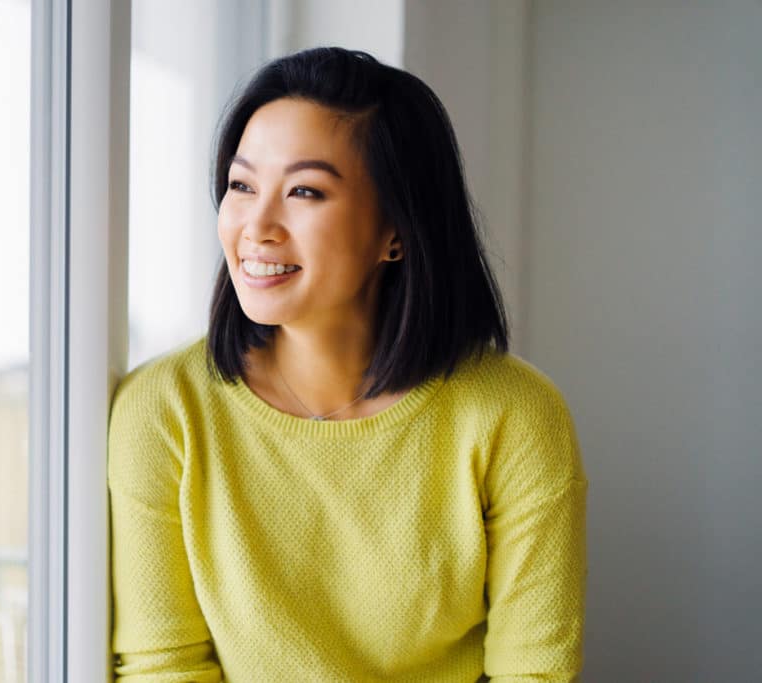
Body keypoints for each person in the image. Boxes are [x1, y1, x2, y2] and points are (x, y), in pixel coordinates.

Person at [108, 47, 587, 682]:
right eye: (242, 185)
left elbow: (535, 672)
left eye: (305, 191)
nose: (257, 225)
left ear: (396, 230)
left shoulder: (515, 415)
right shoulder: (165, 410)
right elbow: (162, 668)